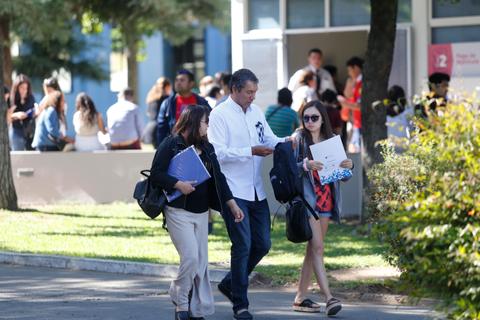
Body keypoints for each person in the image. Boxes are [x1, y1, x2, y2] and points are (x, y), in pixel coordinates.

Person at [208, 68, 291, 320]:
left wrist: (290, 141)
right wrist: (250, 151)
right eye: (248, 92)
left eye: (255, 92)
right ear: (234, 89)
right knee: (242, 245)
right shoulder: (219, 114)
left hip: (257, 190)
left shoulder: (255, 111)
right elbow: (218, 153)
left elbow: (270, 138)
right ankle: (240, 304)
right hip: (233, 191)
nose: (253, 97)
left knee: (263, 244)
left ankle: (230, 282)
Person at [150, 105, 244, 320]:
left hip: (202, 213)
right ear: (193, 122)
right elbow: (155, 174)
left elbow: (219, 179)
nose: (208, 126)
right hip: (178, 211)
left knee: (200, 264)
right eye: (205, 122)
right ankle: (180, 298)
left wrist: (232, 205)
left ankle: (193, 309)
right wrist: (178, 184)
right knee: (191, 257)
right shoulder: (171, 144)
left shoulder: (207, 147)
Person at [292, 100, 353, 317]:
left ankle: (300, 297)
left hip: (326, 202)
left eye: (314, 118)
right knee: (317, 248)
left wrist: (349, 166)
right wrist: (305, 165)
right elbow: (289, 169)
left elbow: (343, 176)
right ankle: (329, 298)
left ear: (322, 119)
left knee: (313, 249)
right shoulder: (299, 138)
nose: (309, 122)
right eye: (306, 118)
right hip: (308, 202)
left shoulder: (331, 140)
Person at [156, 69, 209, 145]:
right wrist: (162, 148)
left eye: (182, 80)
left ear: (191, 84)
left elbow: (210, 123)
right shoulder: (167, 103)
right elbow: (161, 129)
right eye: (176, 80)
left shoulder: (201, 102)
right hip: (174, 146)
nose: (178, 83)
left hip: (198, 145)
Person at [338, 56, 364, 153]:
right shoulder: (355, 82)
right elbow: (348, 94)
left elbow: (359, 106)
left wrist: (343, 103)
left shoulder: (362, 83)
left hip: (361, 123)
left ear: (356, 68)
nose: (349, 73)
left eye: (349, 70)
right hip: (355, 122)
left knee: (356, 153)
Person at [9, 74, 36, 150]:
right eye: (21, 88)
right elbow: (6, 116)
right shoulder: (10, 99)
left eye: (26, 88)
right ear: (16, 88)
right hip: (16, 131)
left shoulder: (31, 98)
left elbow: (34, 110)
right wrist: (16, 115)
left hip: (29, 132)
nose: (24, 90)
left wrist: (34, 113)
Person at [143, 77, 172, 148]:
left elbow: (148, 113)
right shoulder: (167, 99)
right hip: (160, 130)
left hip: (149, 129)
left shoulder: (152, 98)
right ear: (167, 87)